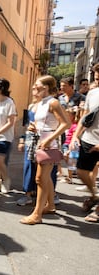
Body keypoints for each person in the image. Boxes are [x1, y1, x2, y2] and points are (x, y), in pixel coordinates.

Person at [20, 75, 70, 225]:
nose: (34, 88)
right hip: (41, 143)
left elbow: (66, 123)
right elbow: (44, 123)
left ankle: (37, 214)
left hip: (49, 145)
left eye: (37, 85)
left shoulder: (53, 103)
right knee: (45, 178)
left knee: (40, 179)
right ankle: (51, 206)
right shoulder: (41, 103)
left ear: (46, 87)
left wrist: (49, 139)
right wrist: (33, 127)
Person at [70, 63, 99, 222]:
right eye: (96, 78)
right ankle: (95, 195)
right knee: (81, 171)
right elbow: (86, 116)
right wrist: (76, 136)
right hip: (88, 139)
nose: (98, 81)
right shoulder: (92, 93)